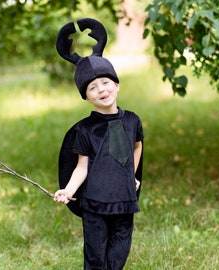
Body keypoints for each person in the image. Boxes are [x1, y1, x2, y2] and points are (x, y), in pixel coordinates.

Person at [54, 18, 144, 270]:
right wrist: (69, 190)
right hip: (95, 202)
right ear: (86, 98)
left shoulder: (133, 121)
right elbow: (81, 167)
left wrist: (132, 174)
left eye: (105, 83)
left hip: (124, 200)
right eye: (92, 88)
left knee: (118, 254)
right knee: (95, 256)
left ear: (116, 85)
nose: (101, 90)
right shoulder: (85, 130)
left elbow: (137, 147)